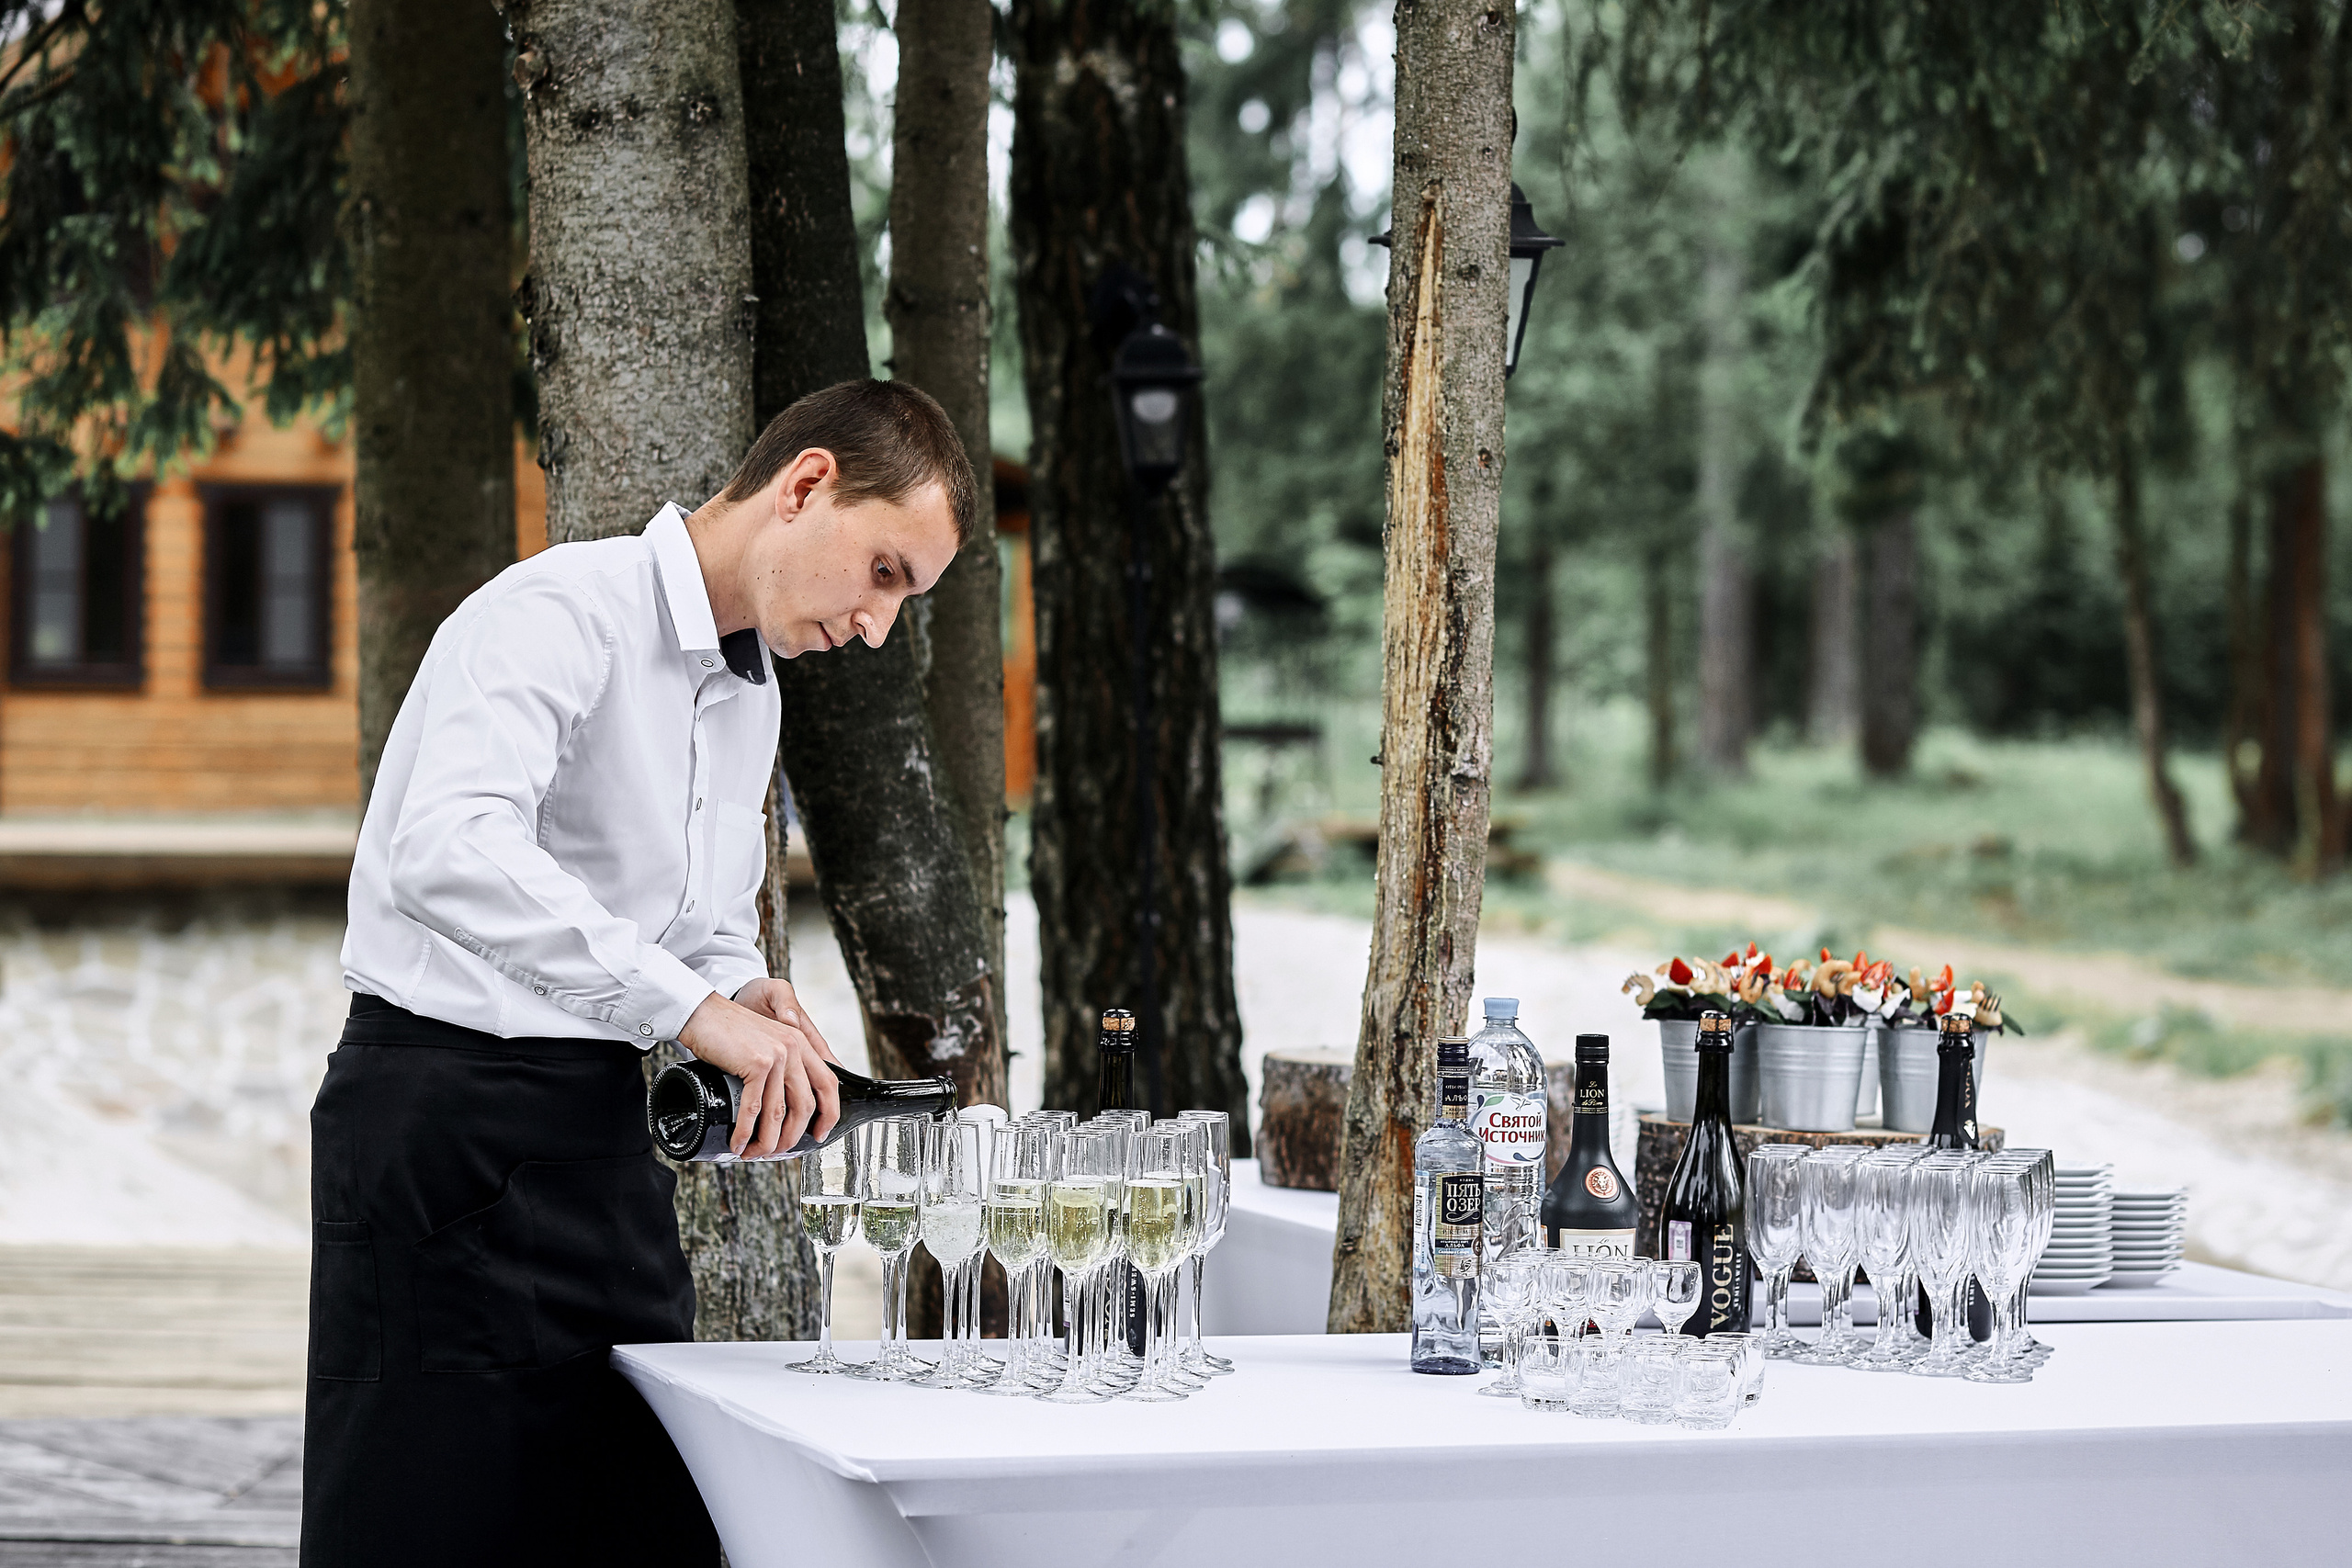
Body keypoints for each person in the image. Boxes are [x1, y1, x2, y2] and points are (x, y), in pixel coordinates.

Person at [301, 378, 975, 1567]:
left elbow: (696, 924)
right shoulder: (555, 610)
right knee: (423, 1526)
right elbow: (445, 850)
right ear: (806, 484)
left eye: (904, 600)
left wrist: (746, 985)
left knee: (641, 1519)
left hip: (601, 1142)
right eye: (883, 573)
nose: (877, 627)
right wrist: (693, 1007)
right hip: (440, 1131)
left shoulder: (749, 695)